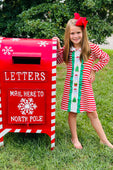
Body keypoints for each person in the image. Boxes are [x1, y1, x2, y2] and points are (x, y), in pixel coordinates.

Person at [55, 13, 113, 149]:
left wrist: (93, 69)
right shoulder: (67, 49)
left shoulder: (91, 47)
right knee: (73, 112)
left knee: (92, 112)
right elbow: (57, 60)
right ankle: (74, 138)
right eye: (72, 33)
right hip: (71, 88)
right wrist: (58, 46)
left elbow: (105, 58)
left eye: (78, 33)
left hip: (85, 87)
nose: (75, 36)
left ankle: (103, 139)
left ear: (83, 32)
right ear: (68, 35)